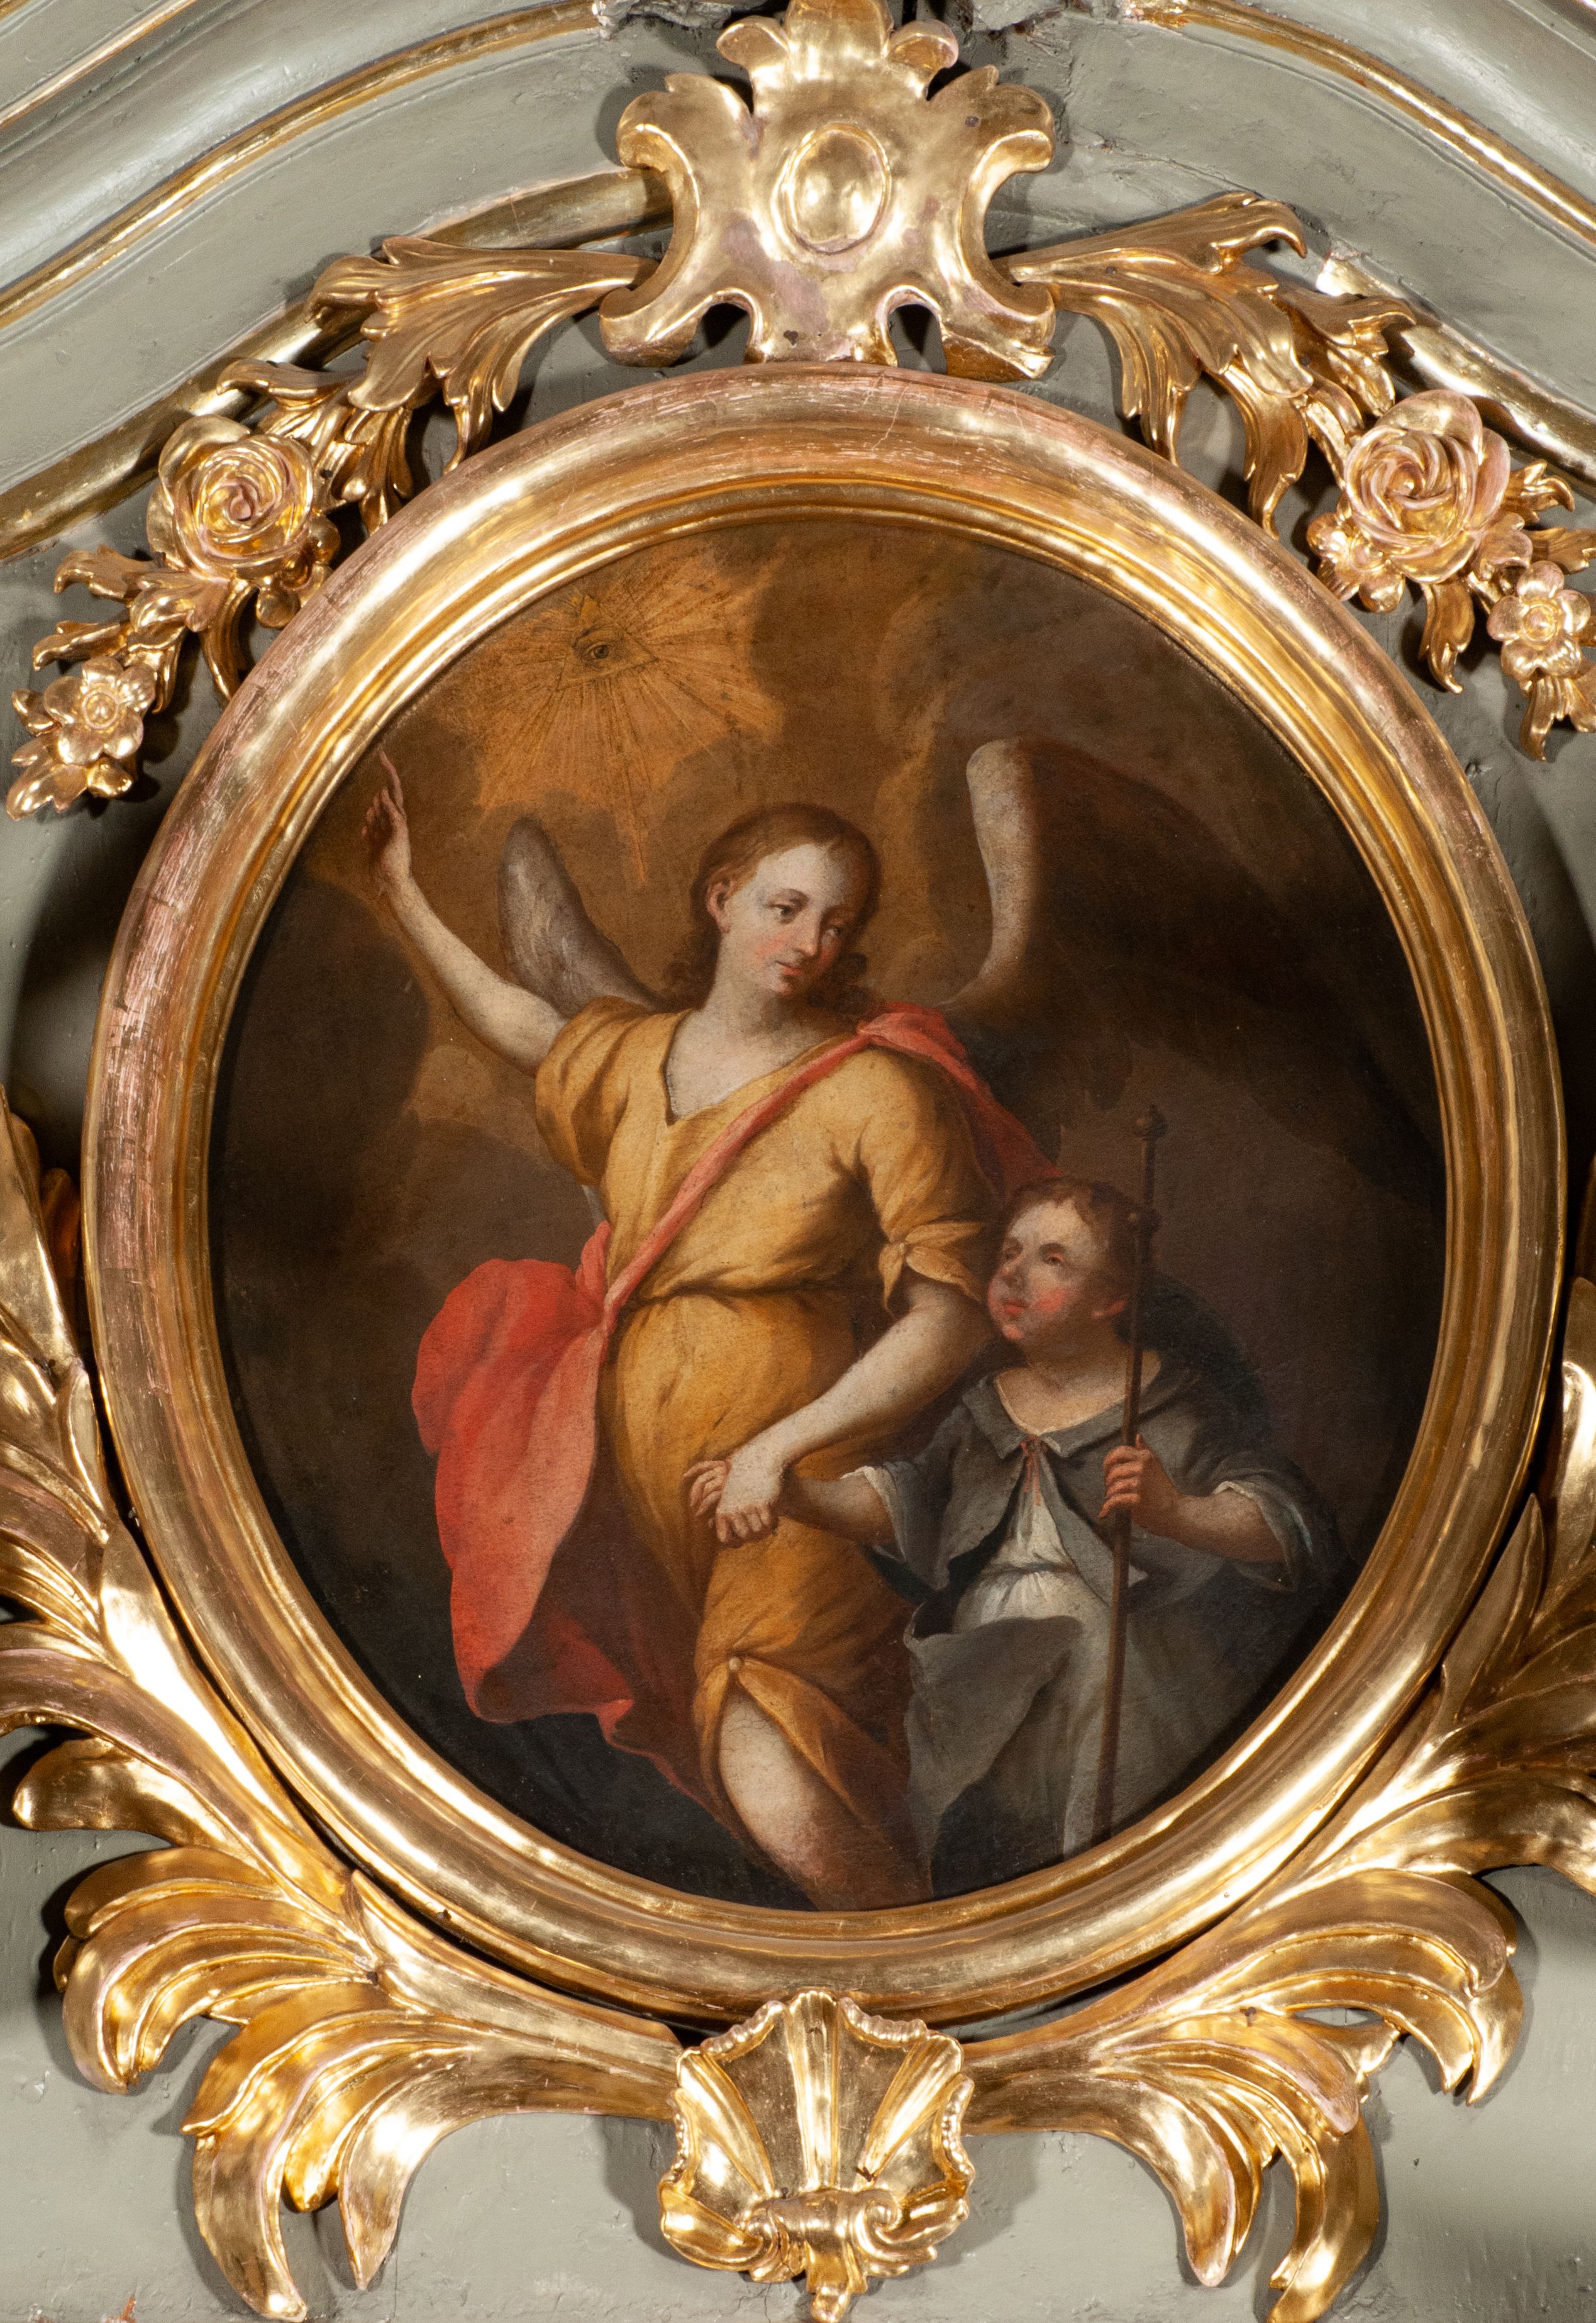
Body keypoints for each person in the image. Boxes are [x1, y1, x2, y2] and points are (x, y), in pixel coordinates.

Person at [364, 767, 1049, 1909]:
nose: (811, 942)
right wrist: (402, 893)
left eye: (836, 923)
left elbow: (951, 1313)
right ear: (721, 899)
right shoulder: (634, 1056)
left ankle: (912, 1961)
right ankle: (898, 1952)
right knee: (735, 1740)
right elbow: (528, 1026)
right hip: (656, 1491)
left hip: (801, 1477)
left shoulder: (879, 1088)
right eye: (786, 907)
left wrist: (781, 1448)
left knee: (770, 1724)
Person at [691, 1176, 1339, 1890]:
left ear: (1110, 1298)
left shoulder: (1166, 1401)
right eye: (1010, 1252)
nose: (1015, 1274)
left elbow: (1281, 1520)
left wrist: (1178, 1513)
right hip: (982, 1671)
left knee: (1103, 1823)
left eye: (1053, 1260)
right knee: (984, 1852)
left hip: (1124, 1670)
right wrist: (795, 1494)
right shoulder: (985, 1407)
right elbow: (906, 1505)